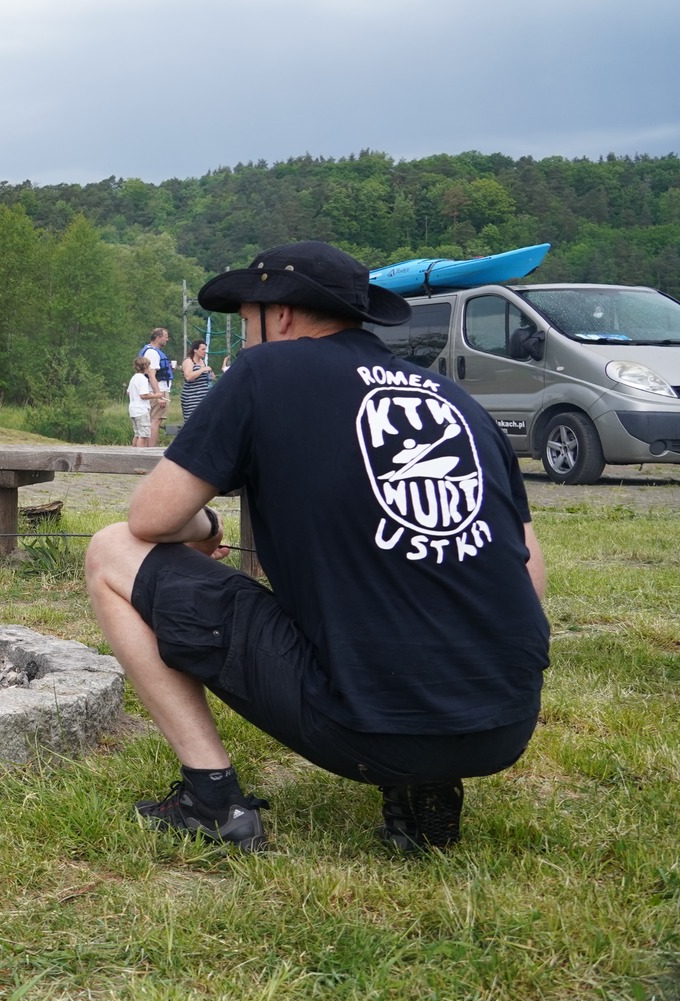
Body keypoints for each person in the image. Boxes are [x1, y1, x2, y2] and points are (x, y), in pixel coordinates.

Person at [85, 241, 549, 853]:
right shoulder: (455, 401)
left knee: (111, 551)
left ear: (279, 315)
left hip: (365, 724)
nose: (245, 337)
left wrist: (209, 531)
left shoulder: (264, 372)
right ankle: (423, 784)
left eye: (245, 320)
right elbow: (528, 568)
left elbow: (148, 519)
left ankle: (211, 797)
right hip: (504, 722)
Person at [140, 327, 172, 443]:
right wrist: (159, 396)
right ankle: (151, 449)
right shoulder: (152, 353)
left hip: (155, 390)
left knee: (152, 420)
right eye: (165, 337)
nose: (167, 340)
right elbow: (151, 375)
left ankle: (145, 448)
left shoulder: (149, 351)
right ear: (158, 338)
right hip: (158, 390)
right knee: (155, 420)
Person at [126, 356, 164, 447]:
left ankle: (133, 452)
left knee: (137, 434)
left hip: (133, 409)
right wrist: (157, 395)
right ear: (145, 367)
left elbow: (129, 392)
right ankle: (139, 455)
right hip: (141, 410)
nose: (150, 369)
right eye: (149, 367)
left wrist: (147, 393)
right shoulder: (143, 379)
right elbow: (143, 396)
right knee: (143, 435)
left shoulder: (134, 378)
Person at [180, 340, 214, 421]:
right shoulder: (189, 361)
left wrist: (210, 376)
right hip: (192, 398)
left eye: (205, 349)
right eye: (202, 349)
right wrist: (202, 370)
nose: (205, 352)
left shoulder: (202, 362)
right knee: (192, 421)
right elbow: (188, 376)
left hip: (204, 397)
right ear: (195, 350)